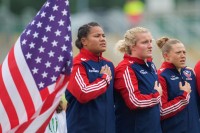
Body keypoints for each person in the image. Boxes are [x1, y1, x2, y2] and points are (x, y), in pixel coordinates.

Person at [65, 22, 115, 133]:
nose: (102, 39)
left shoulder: (109, 65)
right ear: (84, 41)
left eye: (103, 36)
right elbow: (83, 93)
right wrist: (104, 79)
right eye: (97, 36)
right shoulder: (77, 65)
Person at [114, 27, 162, 133]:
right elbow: (135, 101)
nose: (150, 46)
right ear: (132, 47)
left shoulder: (150, 65)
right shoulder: (125, 68)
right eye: (145, 42)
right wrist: (156, 96)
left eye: (151, 41)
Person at [156, 37, 200, 133]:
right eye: (178, 53)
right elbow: (161, 111)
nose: (183, 55)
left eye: (184, 52)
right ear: (166, 56)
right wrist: (183, 97)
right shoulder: (161, 76)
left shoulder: (190, 73)